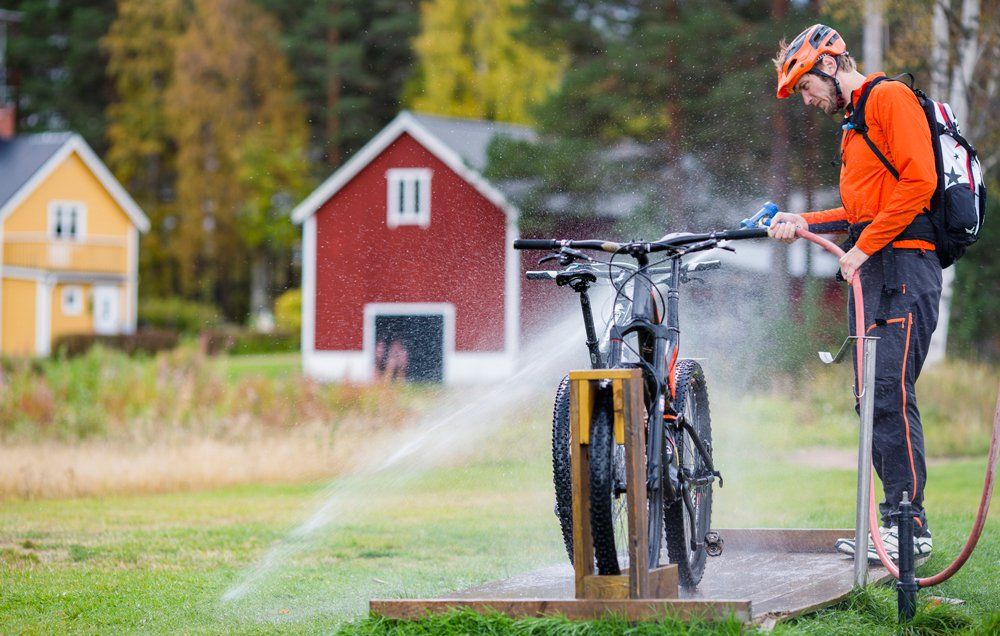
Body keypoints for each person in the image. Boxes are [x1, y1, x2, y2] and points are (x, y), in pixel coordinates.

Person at [769, 24, 939, 560]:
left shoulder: (890, 98)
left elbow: (920, 183)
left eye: (804, 86)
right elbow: (862, 211)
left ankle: (908, 528)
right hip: (875, 269)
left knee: (888, 392)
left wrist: (862, 250)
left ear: (828, 65)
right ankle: (893, 526)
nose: (807, 99)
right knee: (870, 398)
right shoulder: (855, 122)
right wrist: (805, 220)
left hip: (905, 268)